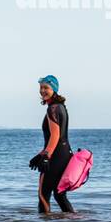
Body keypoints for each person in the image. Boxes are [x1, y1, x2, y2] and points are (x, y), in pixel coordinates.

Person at [31, 74, 75, 213]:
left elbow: (55, 136)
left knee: (43, 194)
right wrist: (40, 154)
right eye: (41, 88)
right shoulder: (61, 107)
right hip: (65, 154)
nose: (42, 91)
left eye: (46, 88)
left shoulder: (52, 109)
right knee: (59, 194)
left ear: (54, 89)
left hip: (55, 156)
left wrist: (46, 156)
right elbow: (60, 137)